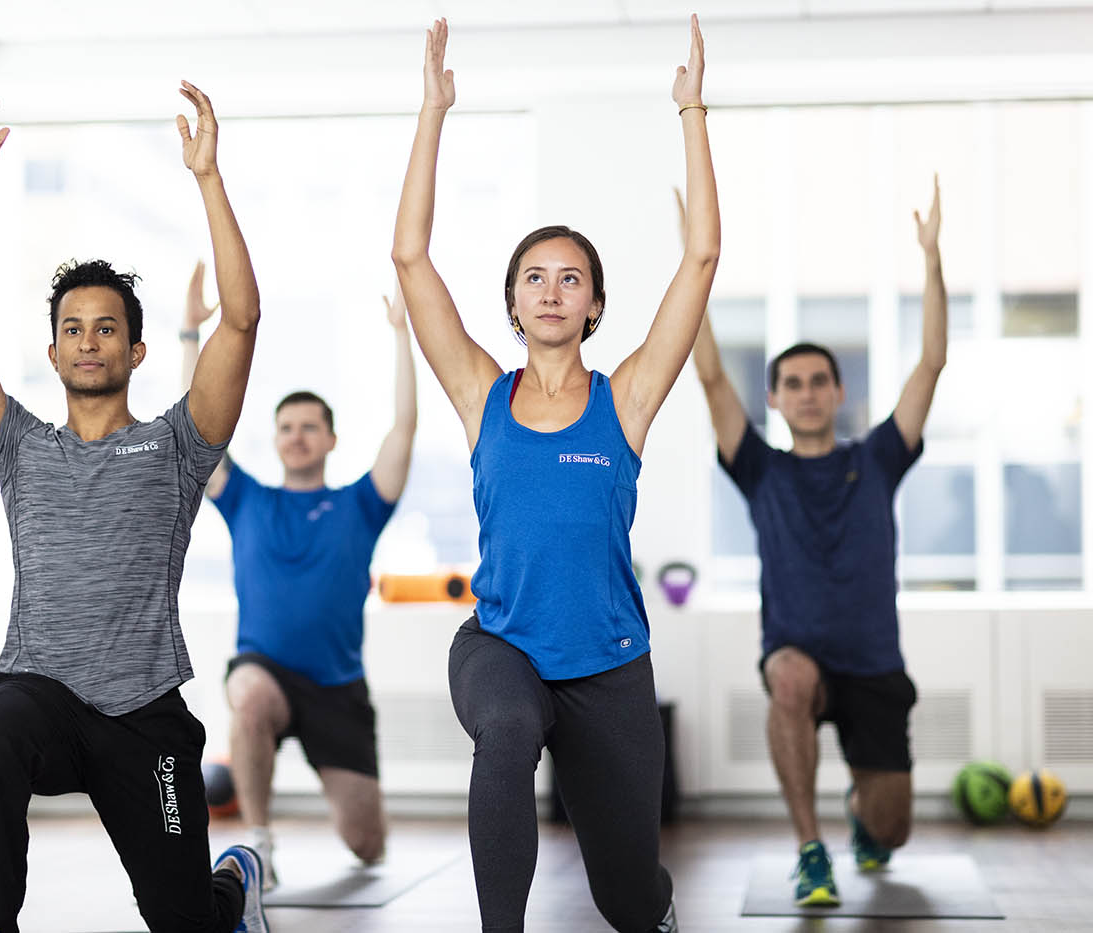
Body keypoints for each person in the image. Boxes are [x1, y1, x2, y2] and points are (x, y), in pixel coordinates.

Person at [392, 17, 718, 933]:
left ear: (595, 304)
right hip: (502, 644)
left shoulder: (630, 401)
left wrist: (692, 111)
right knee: (505, 736)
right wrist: (433, 112)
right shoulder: (477, 394)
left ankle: (650, 908)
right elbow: (411, 259)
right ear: (511, 302)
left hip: (610, 669)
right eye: (533, 276)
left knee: (625, 895)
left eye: (569, 278)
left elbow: (700, 260)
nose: (549, 289)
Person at [0, 89, 270, 933]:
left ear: (135, 348)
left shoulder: (180, 445)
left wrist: (209, 176)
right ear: (53, 350)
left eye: (106, 328)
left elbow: (243, 318)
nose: (88, 339)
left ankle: (231, 889)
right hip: (39, 692)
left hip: (144, 711)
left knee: (186, 922)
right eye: (72, 327)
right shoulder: (20, 444)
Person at [690, 176, 946, 906]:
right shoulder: (760, 468)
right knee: (791, 678)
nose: (805, 391)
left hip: (873, 662)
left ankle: (862, 819)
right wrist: (695, 267)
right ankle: (810, 850)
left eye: (818, 380)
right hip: (798, 652)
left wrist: (930, 261)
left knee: (892, 829)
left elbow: (929, 366)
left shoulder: (878, 457)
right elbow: (709, 376)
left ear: (838, 393)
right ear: (773, 397)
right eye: (791, 382)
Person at [178, 263, 417, 888]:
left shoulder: (360, 504)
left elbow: (404, 430)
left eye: (310, 426)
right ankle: (259, 845)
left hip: (339, 687)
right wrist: (188, 336)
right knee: (249, 694)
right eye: (287, 427)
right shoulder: (246, 499)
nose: (297, 436)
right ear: (276, 440)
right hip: (268, 670)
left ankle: (347, 811)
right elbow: (198, 429)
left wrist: (401, 335)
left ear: (332, 439)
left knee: (368, 847)